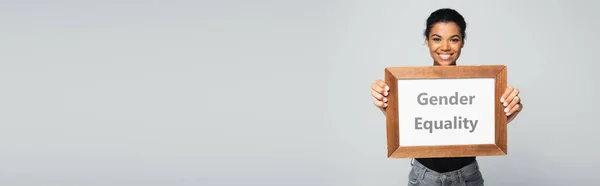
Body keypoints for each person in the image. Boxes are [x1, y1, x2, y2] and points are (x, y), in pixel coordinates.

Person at [370, 8, 523, 186]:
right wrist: (388, 107)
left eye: (454, 39)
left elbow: (495, 116)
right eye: (437, 39)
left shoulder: (479, 86)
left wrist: (511, 107)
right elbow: (410, 127)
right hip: (422, 176)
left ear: (462, 42)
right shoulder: (409, 87)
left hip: (467, 177)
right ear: (427, 41)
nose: (445, 47)